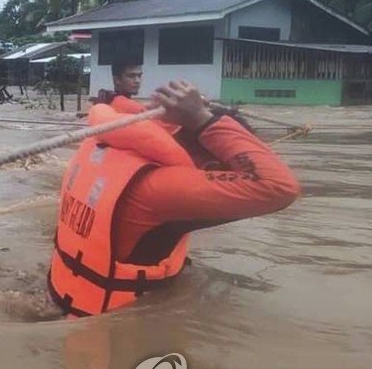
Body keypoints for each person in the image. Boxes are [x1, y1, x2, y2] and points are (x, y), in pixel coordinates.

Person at [47, 78, 302, 318]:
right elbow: (278, 187)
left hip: (64, 296)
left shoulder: (117, 151)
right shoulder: (162, 190)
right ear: (214, 166)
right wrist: (202, 119)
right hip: (115, 323)